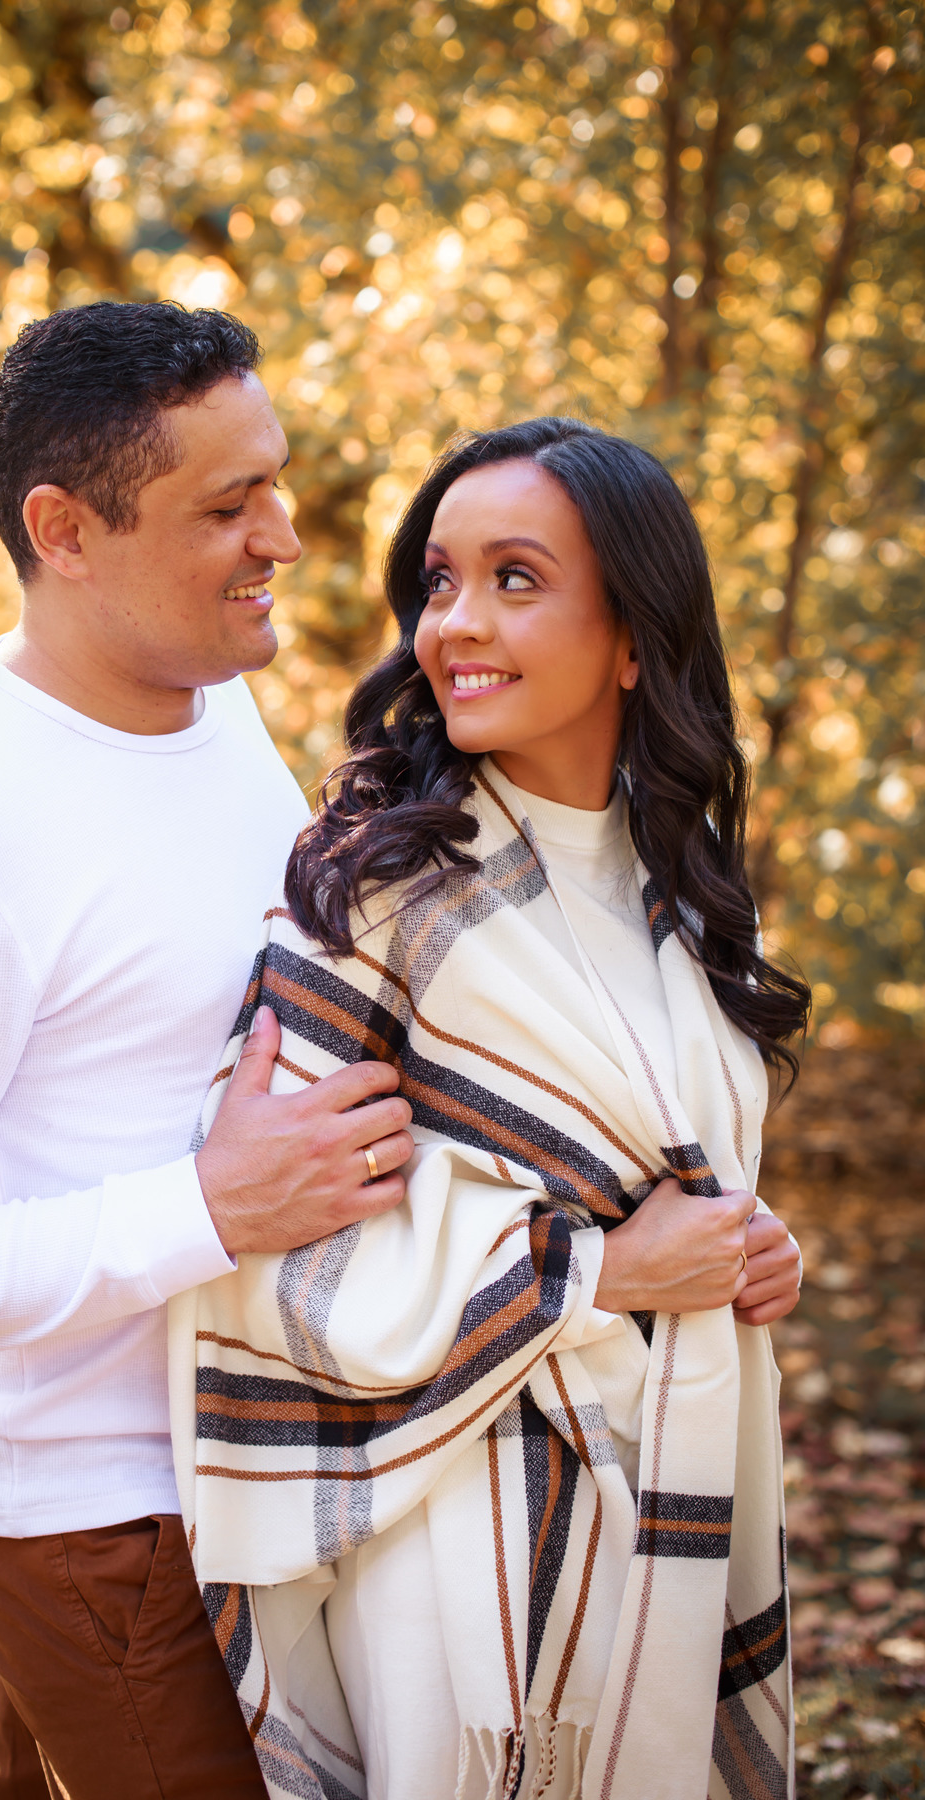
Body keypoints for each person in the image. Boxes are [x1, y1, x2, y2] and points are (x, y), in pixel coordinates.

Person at [0, 301, 417, 1800]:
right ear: (64, 531)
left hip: (251, 1452)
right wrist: (207, 1208)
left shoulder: (208, 693)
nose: (283, 539)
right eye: (226, 506)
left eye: (275, 484)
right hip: (96, 1517)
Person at [170, 418, 806, 1800]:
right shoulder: (376, 897)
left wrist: (752, 1246)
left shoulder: (691, 892)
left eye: (516, 579)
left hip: (675, 1495)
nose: (456, 622)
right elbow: (278, 1263)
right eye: (441, 581)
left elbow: (673, 1159)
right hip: (459, 1543)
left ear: (633, 637)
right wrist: (601, 1274)